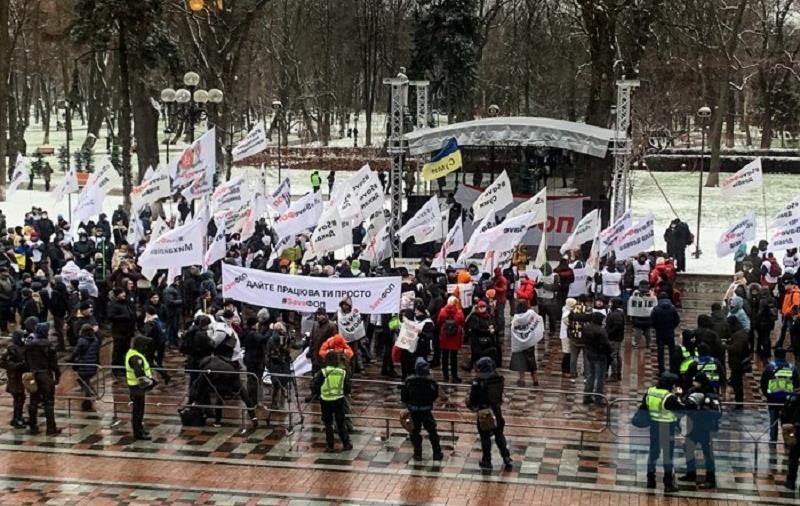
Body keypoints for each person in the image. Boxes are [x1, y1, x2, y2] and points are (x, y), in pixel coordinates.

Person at [466, 357, 512, 470]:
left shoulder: (478, 382)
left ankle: (487, 460)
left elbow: (473, 400)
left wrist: (469, 403)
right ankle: (506, 456)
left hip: (484, 412)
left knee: (485, 437)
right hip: (496, 410)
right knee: (499, 434)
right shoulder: (499, 378)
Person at [678, 372, 721, 489]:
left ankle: (710, 479)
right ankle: (690, 473)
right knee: (688, 449)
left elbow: (717, 413)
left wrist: (701, 410)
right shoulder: (691, 391)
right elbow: (684, 403)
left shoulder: (710, 394)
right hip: (692, 427)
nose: (693, 383)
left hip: (706, 429)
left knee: (708, 454)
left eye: (695, 381)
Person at [643, 372, 683, 493]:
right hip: (667, 427)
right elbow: (681, 411)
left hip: (654, 426)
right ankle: (668, 484)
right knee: (667, 456)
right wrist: (678, 396)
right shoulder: (669, 397)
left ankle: (650, 480)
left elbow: (644, 406)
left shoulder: (650, 391)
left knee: (653, 454)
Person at [401, 357, 443, 461]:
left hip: (414, 410)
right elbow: (435, 394)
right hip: (426, 410)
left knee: (415, 432)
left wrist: (408, 404)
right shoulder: (431, 381)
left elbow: (404, 396)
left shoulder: (409, 381)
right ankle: (437, 452)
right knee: (432, 431)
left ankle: (417, 453)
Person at [24, 321, 61, 435]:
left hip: (33, 375)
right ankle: (51, 428)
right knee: (48, 403)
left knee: (33, 400)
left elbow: (25, 361)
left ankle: (32, 426)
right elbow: (54, 364)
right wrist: (57, 376)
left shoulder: (29, 345)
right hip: (45, 376)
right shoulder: (48, 346)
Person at [311, 352, 353, 452]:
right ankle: (346, 443)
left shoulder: (323, 372)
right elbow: (348, 388)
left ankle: (330, 446)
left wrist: (318, 393)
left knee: (328, 424)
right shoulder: (342, 372)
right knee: (340, 423)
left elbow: (315, 386)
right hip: (339, 400)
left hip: (325, 400)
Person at [760, 348, 800, 444]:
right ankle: (788, 442)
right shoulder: (792, 368)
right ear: (785, 355)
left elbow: (763, 383)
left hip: (773, 399)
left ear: (775, 355)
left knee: (773, 423)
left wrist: (768, 395)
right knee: (787, 423)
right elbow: (797, 385)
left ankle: (773, 441)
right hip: (788, 401)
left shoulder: (770, 367)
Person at [126, 335, 155, 440]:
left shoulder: (135, 354)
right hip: (136, 388)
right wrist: (150, 383)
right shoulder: (135, 357)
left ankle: (140, 429)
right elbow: (139, 374)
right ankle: (138, 433)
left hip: (137, 387)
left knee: (139, 410)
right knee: (138, 411)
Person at [509, 300, 543, 387]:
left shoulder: (516, 318)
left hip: (520, 343)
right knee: (531, 360)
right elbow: (539, 319)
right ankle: (535, 379)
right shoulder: (531, 314)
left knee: (521, 361)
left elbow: (513, 329)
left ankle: (522, 379)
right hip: (530, 342)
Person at [68, 324, 101, 412]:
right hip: (92, 366)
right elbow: (97, 353)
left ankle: (90, 398)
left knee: (84, 383)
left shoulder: (82, 341)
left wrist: (70, 359)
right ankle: (88, 400)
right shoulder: (96, 340)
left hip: (83, 366)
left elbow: (75, 352)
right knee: (85, 381)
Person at [0, 330, 27, 428]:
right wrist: (17, 366)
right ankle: (16, 419)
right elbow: (3, 362)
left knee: (21, 397)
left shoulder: (23, 347)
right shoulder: (11, 349)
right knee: (18, 397)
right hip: (14, 377)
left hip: (21, 376)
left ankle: (18, 417)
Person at [650, 292, 680, 374]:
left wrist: (657, 328)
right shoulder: (673, 308)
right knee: (672, 351)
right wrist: (672, 327)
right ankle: (672, 368)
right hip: (670, 333)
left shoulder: (656, 309)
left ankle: (661, 369)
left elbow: (652, 321)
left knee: (660, 352)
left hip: (660, 333)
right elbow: (677, 320)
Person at [436, 296, 465, 383]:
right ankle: (454, 376)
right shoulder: (459, 312)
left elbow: (439, 322)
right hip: (455, 337)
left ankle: (445, 376)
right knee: (454, 357)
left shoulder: (442, 311)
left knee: (444, 357)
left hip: (445, 336)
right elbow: (462, 322)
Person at [726, 315, 750, 410]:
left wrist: (726, 346)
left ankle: (739, 403)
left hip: (738, 364)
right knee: (736, 382)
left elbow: (736, 349)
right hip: (737, 363)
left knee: (737, 384)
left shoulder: (738, 335)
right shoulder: (739, 333)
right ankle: (738, 402)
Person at [468, 300, 497, 368]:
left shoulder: (489, 316)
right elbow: (476, 329)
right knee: (477, 355)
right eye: (480, 307)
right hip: (477, 340)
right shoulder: (474, 317)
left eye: (483, 307)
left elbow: (494, 324)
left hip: (487, 340)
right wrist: (488, 331)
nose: (482, 308)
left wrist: (493, 329)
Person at [781, 386, 800, 490]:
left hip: (796, 430)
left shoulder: (795, 395)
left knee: (794, 456)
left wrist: (786, 425)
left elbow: (785, 412)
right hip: (796, 429)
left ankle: (790, 482)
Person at [606, 297, 625, 382]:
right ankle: (618, 373)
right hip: (617, 337)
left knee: (613, 356)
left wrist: (609, 332)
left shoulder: (616, 314)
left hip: (614, 338)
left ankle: (615, 374)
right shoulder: (619, 313)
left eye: (611, 303)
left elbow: (617, 326)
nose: (610, 304)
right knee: (617, 355)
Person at [778, 276, 800, 349]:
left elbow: (795, 306)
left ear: (792, 285)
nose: (785, 286)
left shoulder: (795, 293)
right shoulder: (788, 292)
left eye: (786, 284)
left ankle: (793, 346)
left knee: (792, 331)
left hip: (791, 316)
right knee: (784, 329)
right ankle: (780, 343)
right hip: (787, 314)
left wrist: (787, 311)